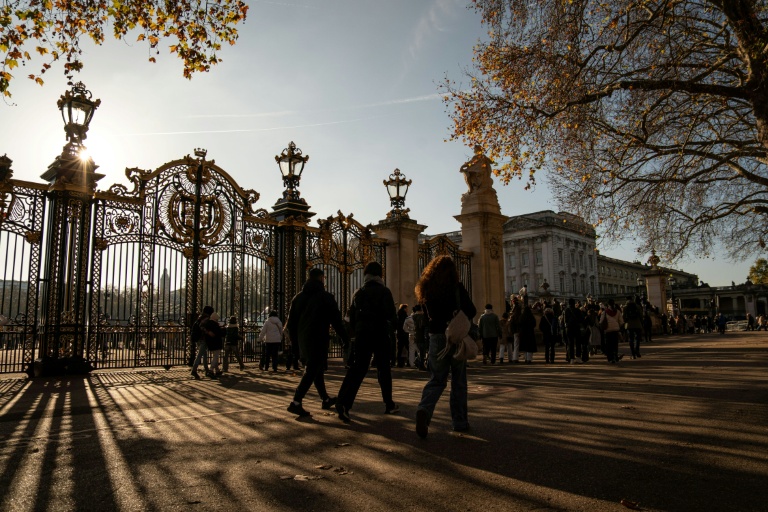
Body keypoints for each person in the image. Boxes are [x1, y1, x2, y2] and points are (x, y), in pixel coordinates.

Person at [414, 255, 477, 439]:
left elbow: (426, 317)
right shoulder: (456, 287)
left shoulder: (426, 288)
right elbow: (471, 310)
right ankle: (459, 422)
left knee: (437, 379)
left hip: (436, 337)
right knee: (458, 380)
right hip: (456, 337)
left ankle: (424, 410)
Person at [335, 261, 399, 422]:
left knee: (357, 369)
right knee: (383, 369)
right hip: (380, 333)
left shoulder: (359, 293)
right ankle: (389, 403)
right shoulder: (384, 291)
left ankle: (343, 402)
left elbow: (353, 318)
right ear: (380, 275)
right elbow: (391, 315)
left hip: (363, 335)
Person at [286, 268, 350, 417]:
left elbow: (291, 324)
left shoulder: (298, 297)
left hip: (303, 340)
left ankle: (325, 399)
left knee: (316, 370)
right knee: (312, 371)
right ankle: (296, 401)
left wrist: (295, 345)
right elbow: (336, 320)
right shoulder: (326, 297)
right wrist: (345, 338)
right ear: (321, 278)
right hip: (318, 338)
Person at [191, 305, 214, 380]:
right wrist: (208, 332)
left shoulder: (200, 317)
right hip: (203, 339)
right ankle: (194, 370)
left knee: (204, 355)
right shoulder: (206, 318)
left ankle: (207, 370)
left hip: (199, 339)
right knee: (200, 355)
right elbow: (202, 327)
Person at [599, 298, 624, 364]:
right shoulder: (618, 312)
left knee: (609, 345)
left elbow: (601, 321)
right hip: (615, 330)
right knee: (615, 344)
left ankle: (610, 358)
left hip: (608, 330)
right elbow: (621, 322)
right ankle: (615, 356)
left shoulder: (605, 312)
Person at [202, 312, 224, 378]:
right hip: (216, 342)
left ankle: (217, 370)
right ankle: (211, 370)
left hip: (210, 342)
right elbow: (219, 333)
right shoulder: (215, 324)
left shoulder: (207, 324)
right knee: (216, 356)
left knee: (215, 356)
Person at [564, 298, 585, 364]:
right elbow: (582, 319)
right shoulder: (577, 310)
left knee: (570, 344)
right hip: (576, 328)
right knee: (578, 343)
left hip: (569, 328)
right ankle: (578, 357)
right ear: (574, 303)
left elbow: (565, 321)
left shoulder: (566, 310)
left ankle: (571, 359)